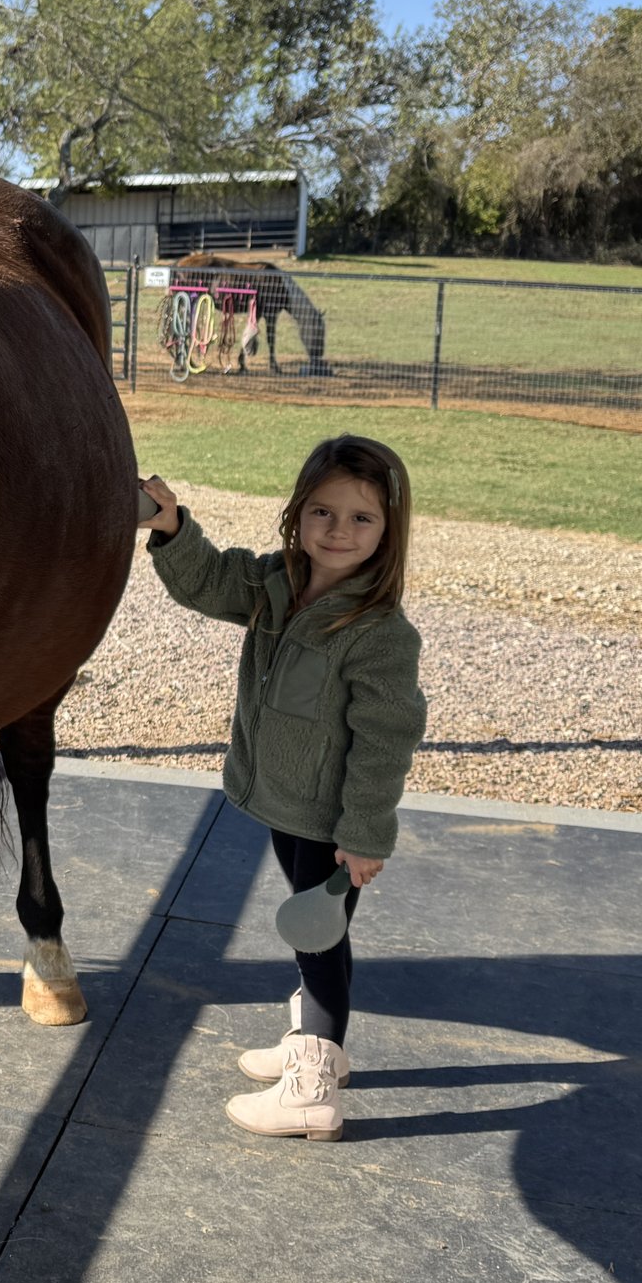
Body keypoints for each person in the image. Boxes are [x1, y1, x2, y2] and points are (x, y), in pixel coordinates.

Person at [138, 436, 427, 1141]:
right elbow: (207, 580)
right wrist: (173, 526)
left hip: (331, 823)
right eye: (322, 511)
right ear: (297, 512)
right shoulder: (276, 585)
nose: (337, 530)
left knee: (319, 940)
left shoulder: (379, 633)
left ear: (389, 531)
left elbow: (385, 741)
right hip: (284, 802)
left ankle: (312, 1085)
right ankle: (315, 1043)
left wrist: (362, 834)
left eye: (361, 518)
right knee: (316, 933)